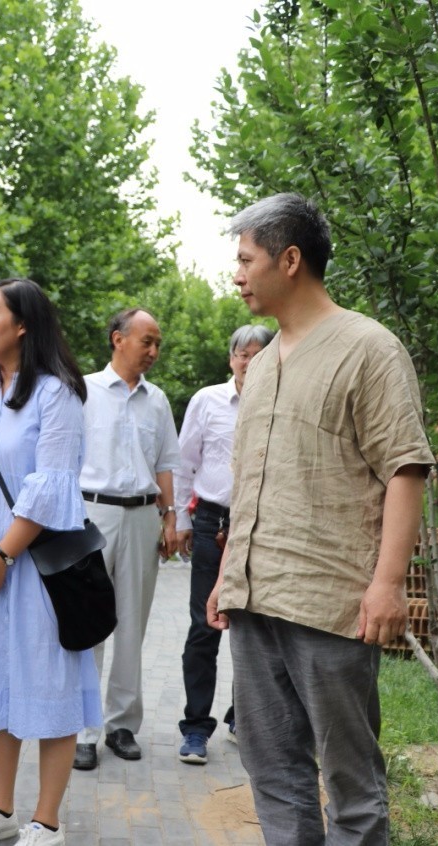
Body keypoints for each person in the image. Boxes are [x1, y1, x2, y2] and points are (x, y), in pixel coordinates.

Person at [206, 194, 433, 845]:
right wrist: (226, 574)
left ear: (290, 259)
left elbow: (404, 469)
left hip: (329, 604)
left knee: (352, 788)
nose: (237, 273)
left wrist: (386, 584)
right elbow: (250, 482)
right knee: (272, 774)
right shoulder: (263, 361)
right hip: (255, 601)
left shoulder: (367, 349)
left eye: (246, 259)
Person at [0, 278, 100, 846]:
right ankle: (0, 809)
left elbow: (50, 487)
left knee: (47, 683)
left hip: (35, 570)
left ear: (23, 324)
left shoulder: (56, 394)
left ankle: (47, 821)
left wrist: (3, 554)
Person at [71, 309, 179, 772]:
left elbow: (166, 464)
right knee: (88, 624)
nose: (153, 352)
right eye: (146, 342)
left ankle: (121, 725)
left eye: (157, 344)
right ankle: (82, 730)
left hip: (141, 516)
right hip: (90, 513)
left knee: (132, 624)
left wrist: (171, 517)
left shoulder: (158, 401)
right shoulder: (82, 392)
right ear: (118, 339)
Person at [172, 323, 274, 764]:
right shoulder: (207, 400)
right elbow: (183, 464)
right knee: (204, 625)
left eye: (257, 354)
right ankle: (196, 727)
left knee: (254, 625)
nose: (248, 362)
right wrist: (178, 519)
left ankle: (243, 719)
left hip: (267, 524)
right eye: (241, 354)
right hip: (214, 521)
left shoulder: (280, 401)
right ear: (230, 358)